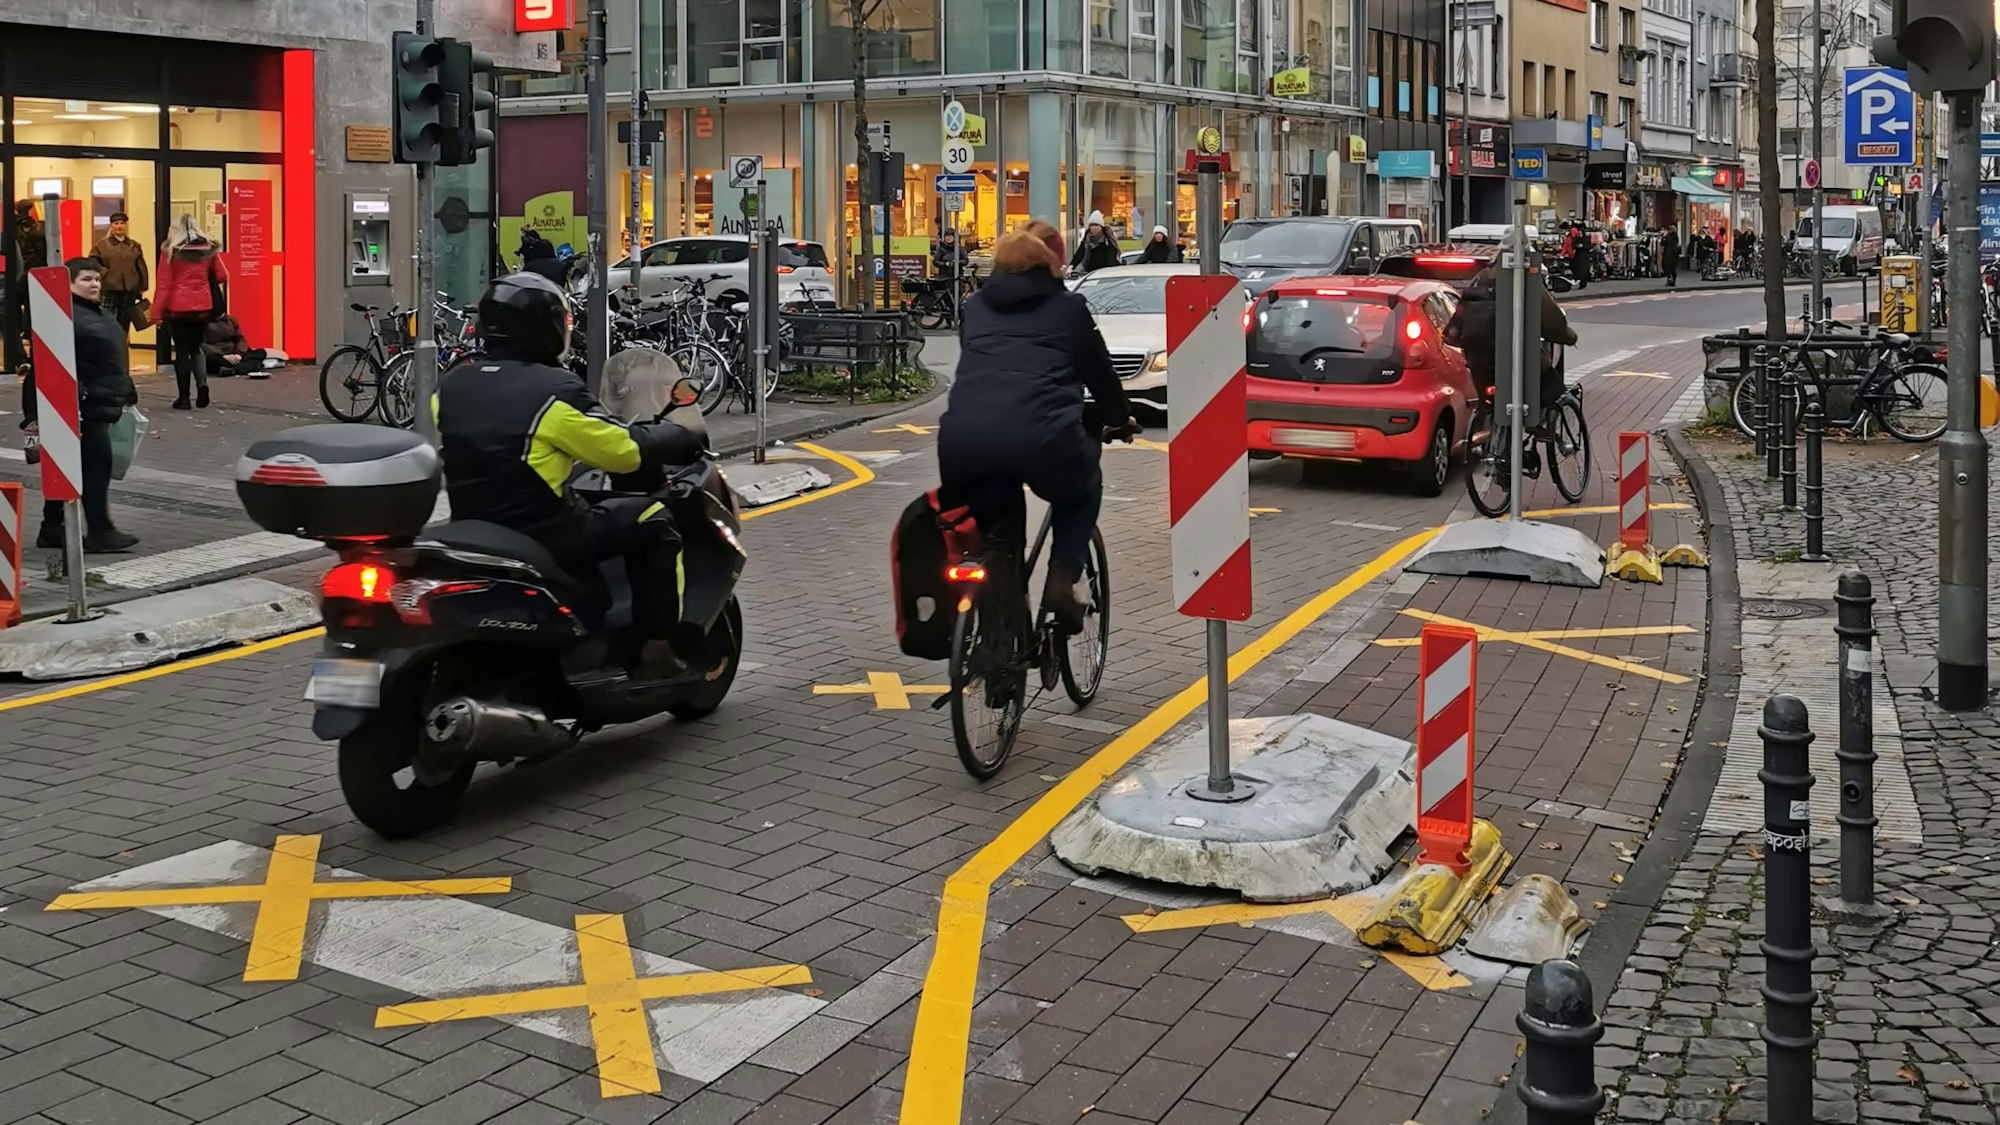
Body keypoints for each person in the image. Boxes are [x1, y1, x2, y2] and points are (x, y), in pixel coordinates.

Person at [435, 272, 703, 644]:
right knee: (653, 519)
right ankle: (659, 646)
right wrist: (675, 434)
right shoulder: (555, 390)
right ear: (547, 327)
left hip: (473, 527)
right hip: (546, 533)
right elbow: (622, 453)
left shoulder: (452, 385)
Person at [938, 220, 1134, 632]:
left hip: (963, 445)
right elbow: (1100, 376)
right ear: (1049, 264)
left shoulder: (974, 307)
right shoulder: (1068, 309)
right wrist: (1118, 419)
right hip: (1045, 442)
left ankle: (995, 643)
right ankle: (1064, 578)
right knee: (1083, 487)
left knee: (994, 525)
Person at [29, 258, 139, 552]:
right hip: (84, 406)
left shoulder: (94, 312)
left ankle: (52, 528)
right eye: (86, 279)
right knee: (95, 467)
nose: (94, 284)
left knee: (70, 467)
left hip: (97, 401)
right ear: (68, 284)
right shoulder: (66, 316)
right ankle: (100, 530)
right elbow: (51, 361)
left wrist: (126, 387)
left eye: (96, 279)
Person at [1443, 264, 1578, 436]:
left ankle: (1485, 436)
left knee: (1489, 400)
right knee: (1549, 386)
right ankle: (1534, 425)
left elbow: (1457, 324)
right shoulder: (1525, 279)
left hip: (1479, 362)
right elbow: (1552, 322)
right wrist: (1569, 337)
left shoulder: (1481, 278)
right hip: (1516, 360)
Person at [153, 215, 228, 410]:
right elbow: (222, 275)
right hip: (203, 307)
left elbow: (164, 285)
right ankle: (202, 385)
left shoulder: (170, 251)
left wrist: (156, 314)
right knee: (196, 348)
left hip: (177, 309)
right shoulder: (209, 250)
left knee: (182, 351)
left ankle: (184, 398)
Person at [92, 212, 149, 336]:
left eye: (122, 223)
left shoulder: (134, 246)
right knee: (108, 320)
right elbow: (93, 263)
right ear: (111, 226)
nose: (119, 226)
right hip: (109, 288)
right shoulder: (101, 245)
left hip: (129, 290)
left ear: (126, 225)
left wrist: (142, 286)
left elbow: (141, 267)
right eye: (116, 223)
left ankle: (122, 348)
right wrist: (104, 274)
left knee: (125, 323)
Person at [202, 312, 268, 379]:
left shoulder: (231, 320)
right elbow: (201, 344)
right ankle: (250, 367)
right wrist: (223, 355)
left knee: (261, 352)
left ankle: (233, 370)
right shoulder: (202, 322)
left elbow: (240, 339)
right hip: (218, 355)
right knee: (210, 362)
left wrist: (238, 354)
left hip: (234, 352)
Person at [1069, 210, 1121, 276]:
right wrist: (1071, 266)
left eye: (1096, 225)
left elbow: (1113, 254)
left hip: (1106, 272)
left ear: (1101, 227)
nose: (1094, 228)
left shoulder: (1107, 238)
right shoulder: (1087, 239)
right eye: (1092, 225)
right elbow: (1079, 254)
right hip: (1090, 272)